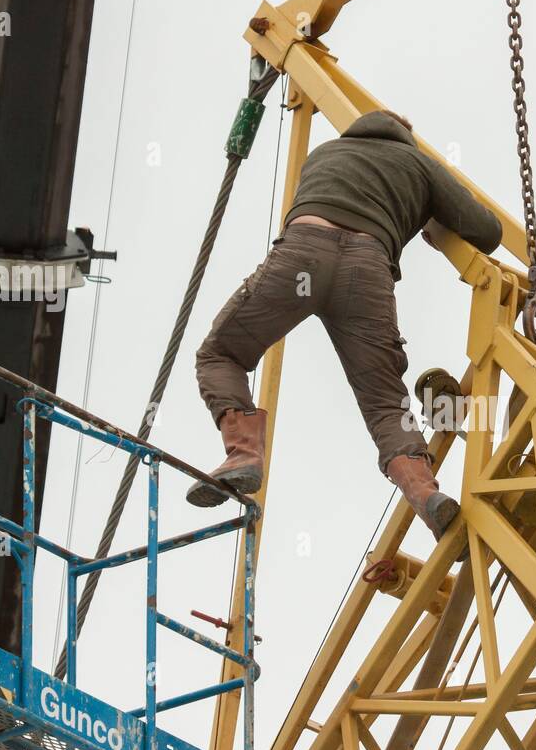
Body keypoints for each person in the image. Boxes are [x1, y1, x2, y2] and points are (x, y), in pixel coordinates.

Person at [188, 109, 502, 545]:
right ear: (407, 137)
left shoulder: (323, 153)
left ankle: (243, 454)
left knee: (220, 354)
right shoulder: (418, 164)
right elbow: (487, 232)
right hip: (367, 270)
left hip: (302, 257)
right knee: (385, 405)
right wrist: (432, 217)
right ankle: (426, 495)